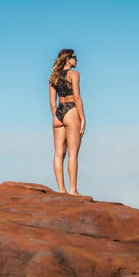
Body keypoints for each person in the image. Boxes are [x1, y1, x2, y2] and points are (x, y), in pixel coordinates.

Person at [49, 49, 85, 195]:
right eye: (74, 57)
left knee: (58, 154)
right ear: (67, 59)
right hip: (71, 111)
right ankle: (72, 190)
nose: (76, 60)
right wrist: (82, 118)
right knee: (72, 153)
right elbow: (77, 97)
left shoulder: (53, 78)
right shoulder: (74, 74)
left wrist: (58, 116)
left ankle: (61, 190)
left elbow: (52, 103)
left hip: (58, 114)